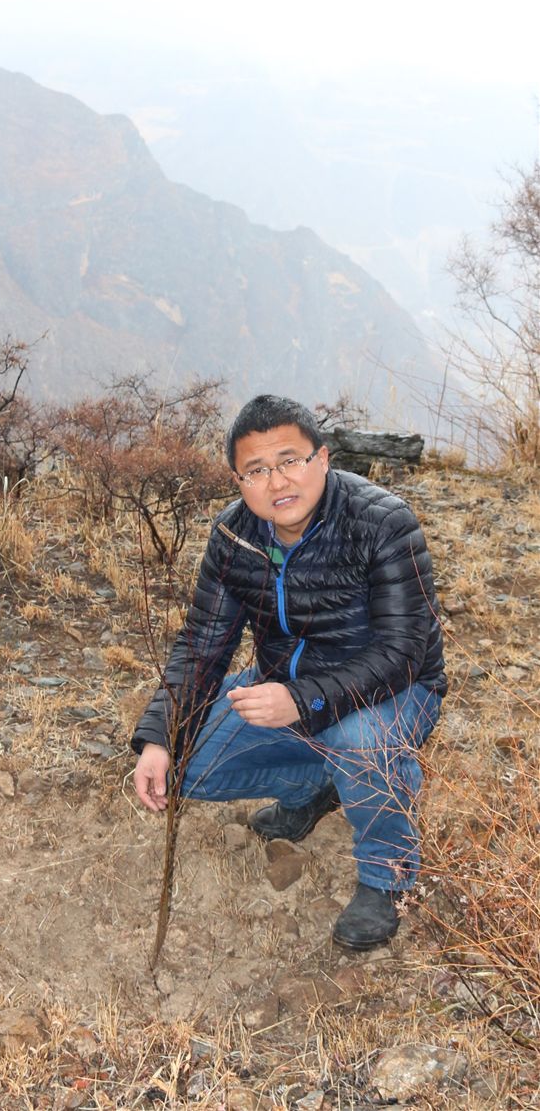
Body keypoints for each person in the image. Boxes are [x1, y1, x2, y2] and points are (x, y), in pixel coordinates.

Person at [131, 395, 447, 950]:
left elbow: (402, 653)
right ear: (238, 480)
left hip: (395, 690)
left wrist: (302, 700)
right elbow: (202, 647)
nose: (277, 482)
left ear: (322, 458)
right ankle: (319, 785)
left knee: (359, 738)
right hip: (287, 688)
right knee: (187, 765)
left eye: (290, 460)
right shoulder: (234, 537)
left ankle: (387, 875)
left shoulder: (381, 521)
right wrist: (159, 736)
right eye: (256, 470)